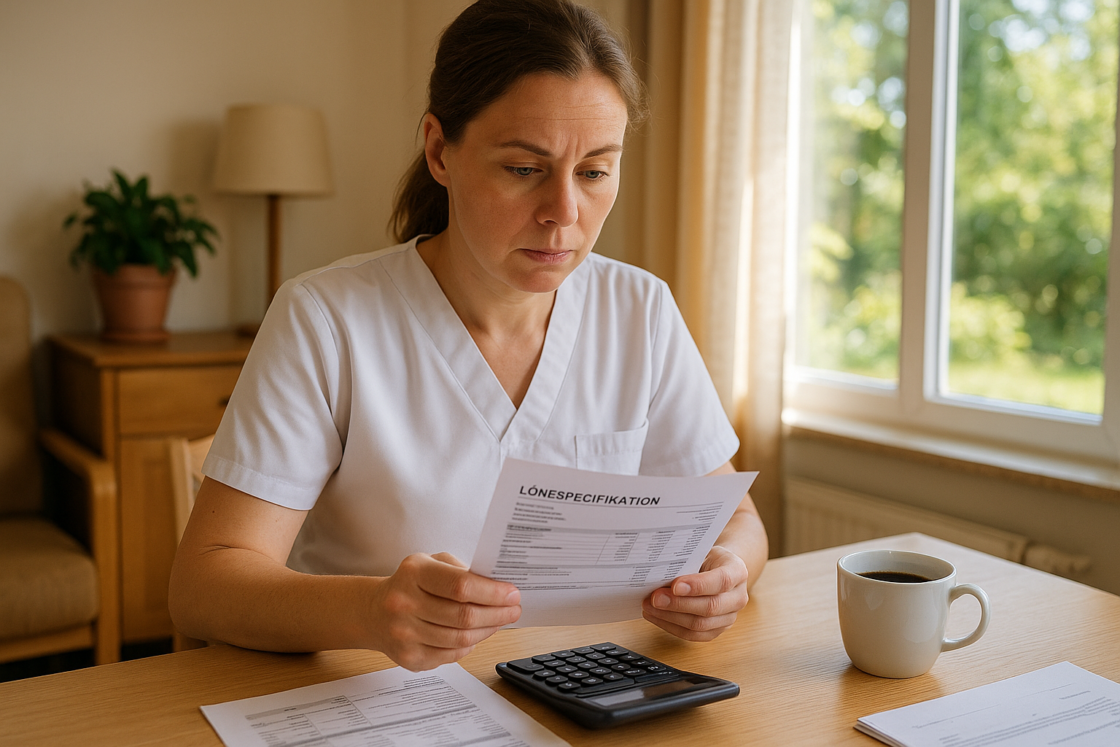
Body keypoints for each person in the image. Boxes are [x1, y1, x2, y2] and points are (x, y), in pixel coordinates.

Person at [169, 0, 768, 673]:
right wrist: (370, 612)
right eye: (523, 169)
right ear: (439, 151)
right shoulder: (327, 319)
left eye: (595, 171)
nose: (563, 214)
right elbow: (204, 585)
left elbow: (738, 520)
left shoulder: (640, 310)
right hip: (370, 700)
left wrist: (727, 576)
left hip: (583, 694)